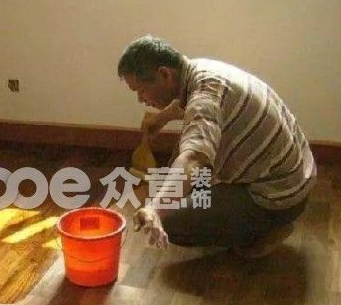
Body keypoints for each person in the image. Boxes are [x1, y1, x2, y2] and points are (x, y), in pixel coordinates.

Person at [118, 35, 316, 257]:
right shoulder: (200, 70)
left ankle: (268, 230)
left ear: (165, 74)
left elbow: (194, 157)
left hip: (279, 198)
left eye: (141, 90)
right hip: (295, 176)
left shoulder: (204, 98)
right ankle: (247, 219)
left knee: (170, 220)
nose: (141, 99)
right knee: (177, 180)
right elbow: (197, 107)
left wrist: (156, 210)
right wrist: (162, 117)